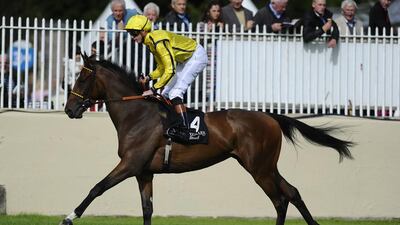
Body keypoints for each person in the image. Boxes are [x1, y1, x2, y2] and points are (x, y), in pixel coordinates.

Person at [125, 15, 208, 143]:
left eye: (134, 33)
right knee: (164, 94)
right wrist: (148, 77)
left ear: (143, 30)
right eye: (130, 33)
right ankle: (173, 124)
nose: (132, 36)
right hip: (184, 60)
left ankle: (185, 130)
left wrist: (153, 89)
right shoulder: (150, 41)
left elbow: (170, 69)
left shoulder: (158, 40)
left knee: (175, 93)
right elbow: (162, 67)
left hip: (196, 56)